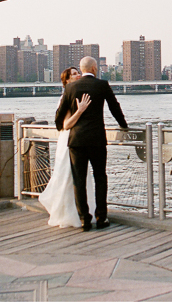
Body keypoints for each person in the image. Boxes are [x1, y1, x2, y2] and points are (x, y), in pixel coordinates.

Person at [55, 55, 128, 231]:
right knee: (100, 177)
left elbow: (59, 118)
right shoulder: (102, 86)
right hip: (97, 139)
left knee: (78, 181)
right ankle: (101, 217)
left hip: (77, 141)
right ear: (94, 68)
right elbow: (114, 107)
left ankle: (84, 219)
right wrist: (123, 125)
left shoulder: (71, 88)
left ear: (82, 69)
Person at [38, 67, 94, 228]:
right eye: (74, 74)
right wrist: (81, 111)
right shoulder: (67, 97)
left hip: (78, 141)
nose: (78, 75)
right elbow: (66, 124)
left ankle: (82, 211)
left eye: (79, 73)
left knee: (79, 176)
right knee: (68, 175)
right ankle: (68, 213)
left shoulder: (77, 94)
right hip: (68, 140)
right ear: (67, 80)